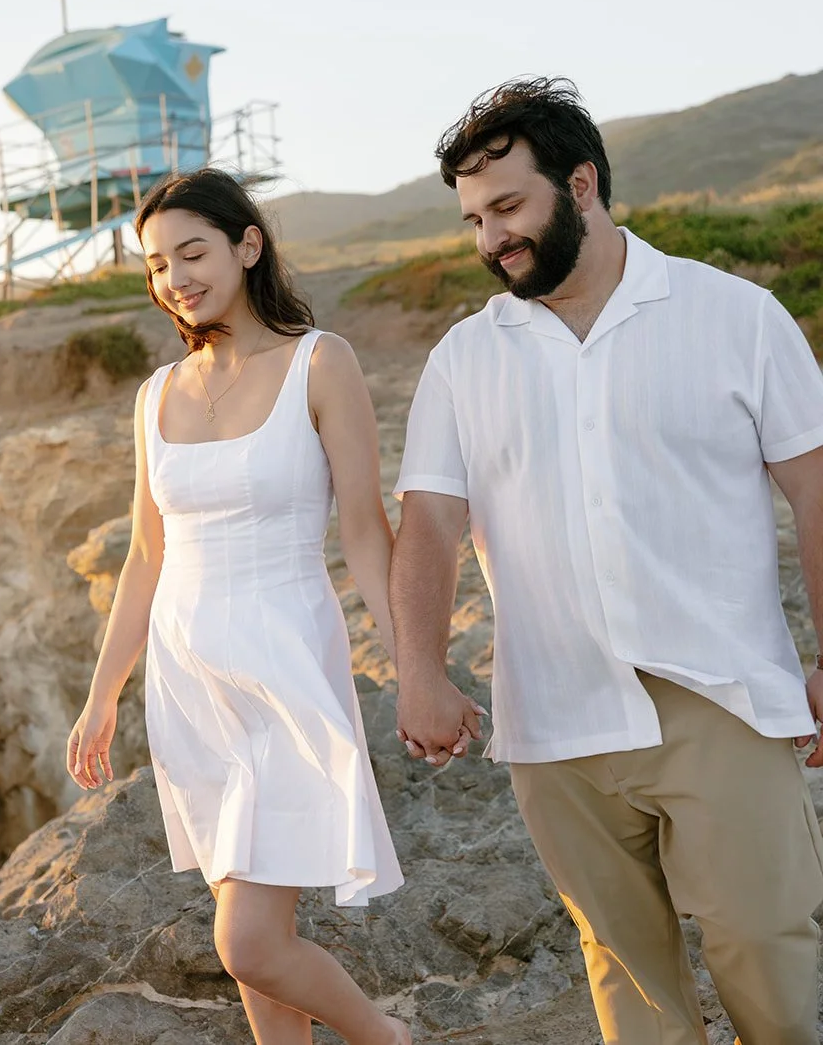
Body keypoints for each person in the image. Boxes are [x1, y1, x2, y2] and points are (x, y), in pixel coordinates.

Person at [390, 77, 823, 1045]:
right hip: (556, 721)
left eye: (508, 207)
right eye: (473, 219)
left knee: (768, 957)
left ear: (581, 184)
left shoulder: (737, 317)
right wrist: (420, 668)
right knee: (628, 984)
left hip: (719, 696)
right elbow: (429, 523)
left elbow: (815, 488)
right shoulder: (463, 359)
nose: (490, 238)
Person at [65, 167, 409, 1045]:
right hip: (188, 682)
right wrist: (104, 694)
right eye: (156, 265)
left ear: (247, 245)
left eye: (192, 253)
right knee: (254, 935)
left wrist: (416, 669)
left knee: (247, 941)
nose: (174, 278)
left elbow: (367, 533)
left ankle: (388, 1038)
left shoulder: (319, 362)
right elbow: (147, 555)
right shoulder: (156, 394)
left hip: (284, 663)